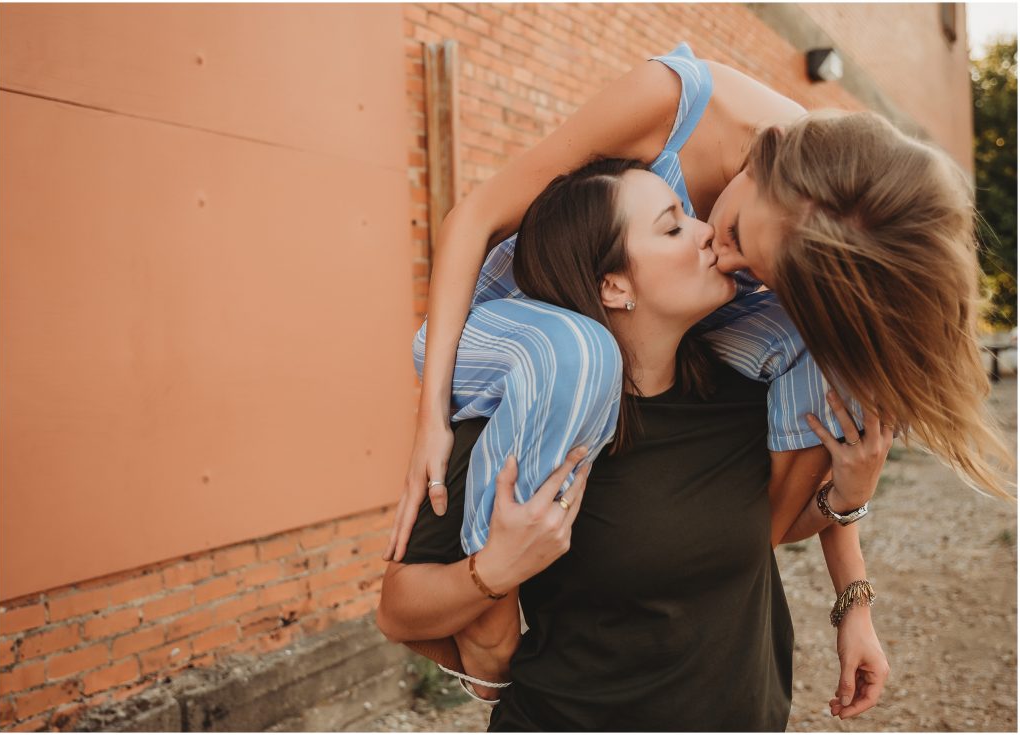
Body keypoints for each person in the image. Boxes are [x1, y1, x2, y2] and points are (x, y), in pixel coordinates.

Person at [384, 43, 1010, 566]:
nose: (727, 258)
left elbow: (847, 369)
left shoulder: (822, 221)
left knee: (841, 358)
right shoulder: (669, 102)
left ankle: (727, 560)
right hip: (523, 322)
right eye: (733, 232)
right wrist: (430, 418)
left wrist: (853, 592)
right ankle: (489, 600)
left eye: (760, 273)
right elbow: (474, 217)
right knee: (579, 351)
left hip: (648, 337)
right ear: (767, 150)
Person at [377, 159, 891, 730]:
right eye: (672, 227)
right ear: (614, 286)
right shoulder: (522, 426)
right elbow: (398, 611)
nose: (705, 232)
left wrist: (846, 509)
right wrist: (490, 573)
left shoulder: (744, 403)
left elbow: (759, 536)